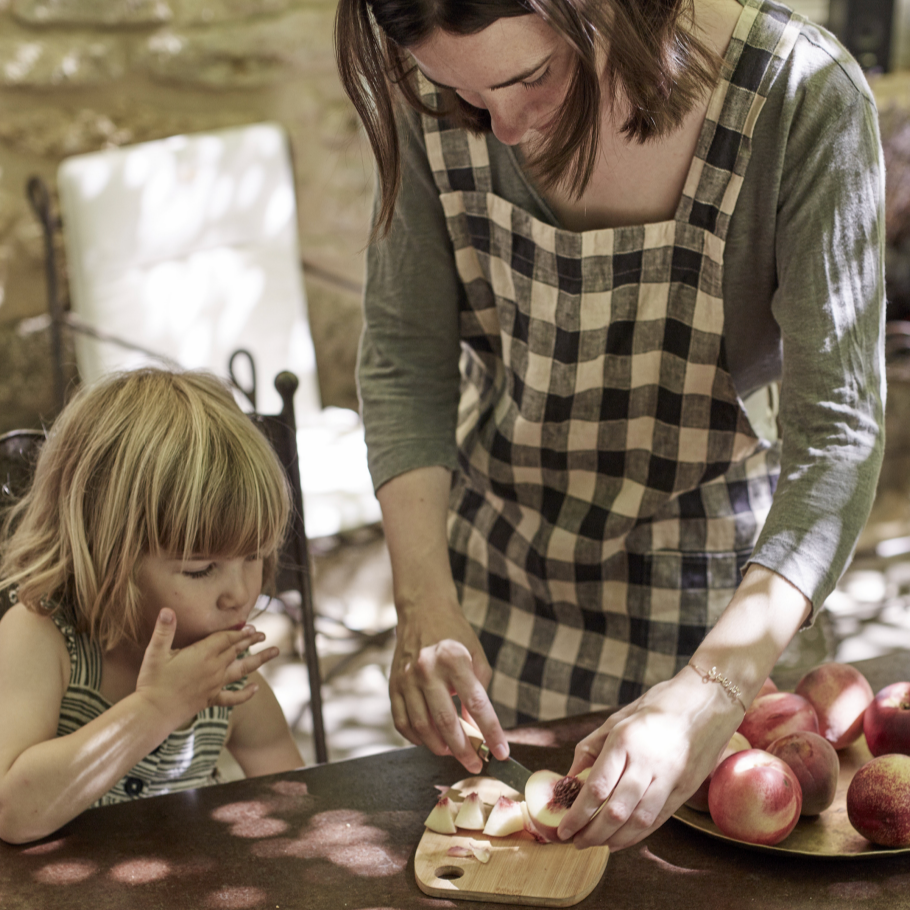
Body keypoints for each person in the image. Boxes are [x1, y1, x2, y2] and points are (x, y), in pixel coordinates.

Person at [336, 0, 887, 850]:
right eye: (465, 94)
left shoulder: (800, 100)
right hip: (500, 600)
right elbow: (405, 363)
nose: (504, 128)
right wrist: (423, 601)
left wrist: (712, 692)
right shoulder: (439, 83)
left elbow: (837, 438)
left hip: (724, 601)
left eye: (531, 76)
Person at [0, 368, 304, 845]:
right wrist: (157, 708)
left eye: (254, 556)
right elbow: (13, 814)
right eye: (200, 568)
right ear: (105, 555)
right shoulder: (41, 640)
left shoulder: (226, 677)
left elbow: (294, 803)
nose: (240, 593)